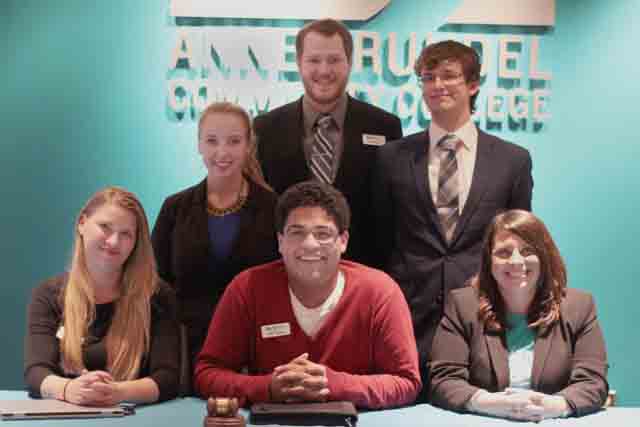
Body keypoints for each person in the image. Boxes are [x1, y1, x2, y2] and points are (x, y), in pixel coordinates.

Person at [372, 40, 534, 397]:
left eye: (448, 76)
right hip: (408, 320)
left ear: (473, 85)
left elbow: (517, 248)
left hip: (482, 319)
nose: (437, 86)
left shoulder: (512, 160)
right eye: (428, 77)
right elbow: (380, 242)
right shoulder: (391, 158)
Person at [194, 181, 421, 409]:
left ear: (343, 241)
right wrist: (267, 388)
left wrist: (336, 385)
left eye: (323, 234)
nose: (310, 244)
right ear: (280, 241)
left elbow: (406, 382)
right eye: (296, 232)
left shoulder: (380, 293)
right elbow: (207, 374)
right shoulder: (247, 289)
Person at [429, 210, 608, 421]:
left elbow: (593, 382)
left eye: (527, 250)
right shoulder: (462, 305)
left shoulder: (580, 306)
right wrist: (489, 403)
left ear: (544, 257)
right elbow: (443, 379)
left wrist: (556, 406)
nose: (516, 261)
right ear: (489, 261)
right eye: (503, 252)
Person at [255, 18, 402, 267]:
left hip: (362, 276)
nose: (324, 70)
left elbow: (392, 213)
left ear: (349, 63)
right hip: (286, 273)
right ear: (299, 64)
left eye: (334, 60)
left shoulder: (385, 127)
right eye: (314, 60)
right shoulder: (265, 128)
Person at [24, 187, 180, 405]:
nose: (114, 241)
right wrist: (68, 389)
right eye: (105, 227)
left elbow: (168, 379)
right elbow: (36, 372)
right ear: (82, 223)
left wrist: (118, 392)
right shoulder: (48, 295)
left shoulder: (158, 295)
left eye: (126, 234)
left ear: (136, 243)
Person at [152, 102, 279, 363]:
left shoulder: (273, 207)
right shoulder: (175, 208)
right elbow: (155, 283)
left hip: (255, 348)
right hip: (188, 349)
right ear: (199, 145)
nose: (222, 152)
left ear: (248, 146)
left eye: (234, 141)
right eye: (212, 141)